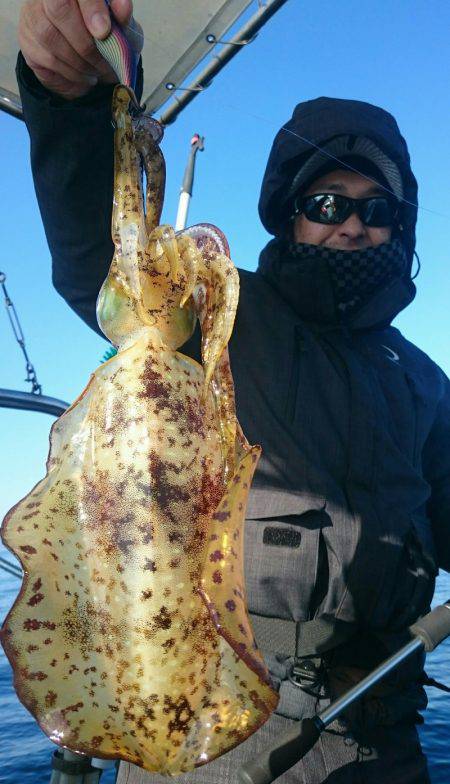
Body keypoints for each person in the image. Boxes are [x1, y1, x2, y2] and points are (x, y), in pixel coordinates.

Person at [15, 1, 450, 782]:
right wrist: (70, 103)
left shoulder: (422, 379)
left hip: (386, 731)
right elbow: (96, 260)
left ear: (401, 226)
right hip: (219, 725)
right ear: (292, 216)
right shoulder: (219, 315)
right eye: (327, 204)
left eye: (377, 210)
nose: (352, 225)